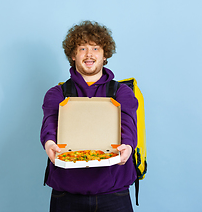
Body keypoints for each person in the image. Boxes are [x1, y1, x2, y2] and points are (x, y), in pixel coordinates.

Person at [40, 20, 138, 212]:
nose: (89, 54)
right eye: (82, 48)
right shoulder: (57, 94)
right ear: (73, 55)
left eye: (95, 48)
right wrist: (49, 143)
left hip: (114, 191)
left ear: (105, 54)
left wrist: (127, 145)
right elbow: (49, 125)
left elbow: (128, 124)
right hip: (67, 192)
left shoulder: (123, 93)